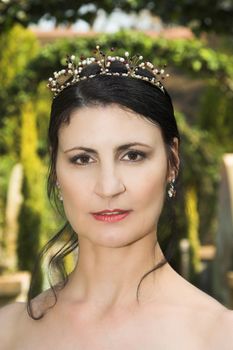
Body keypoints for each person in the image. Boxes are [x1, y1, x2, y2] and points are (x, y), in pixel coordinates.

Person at [0, 45, 232, 349]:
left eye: (132, 155)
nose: (108, 187)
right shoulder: (8, 331)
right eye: (83, 159)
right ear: (56, 172)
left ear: (172, 161)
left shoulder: (220, 335)